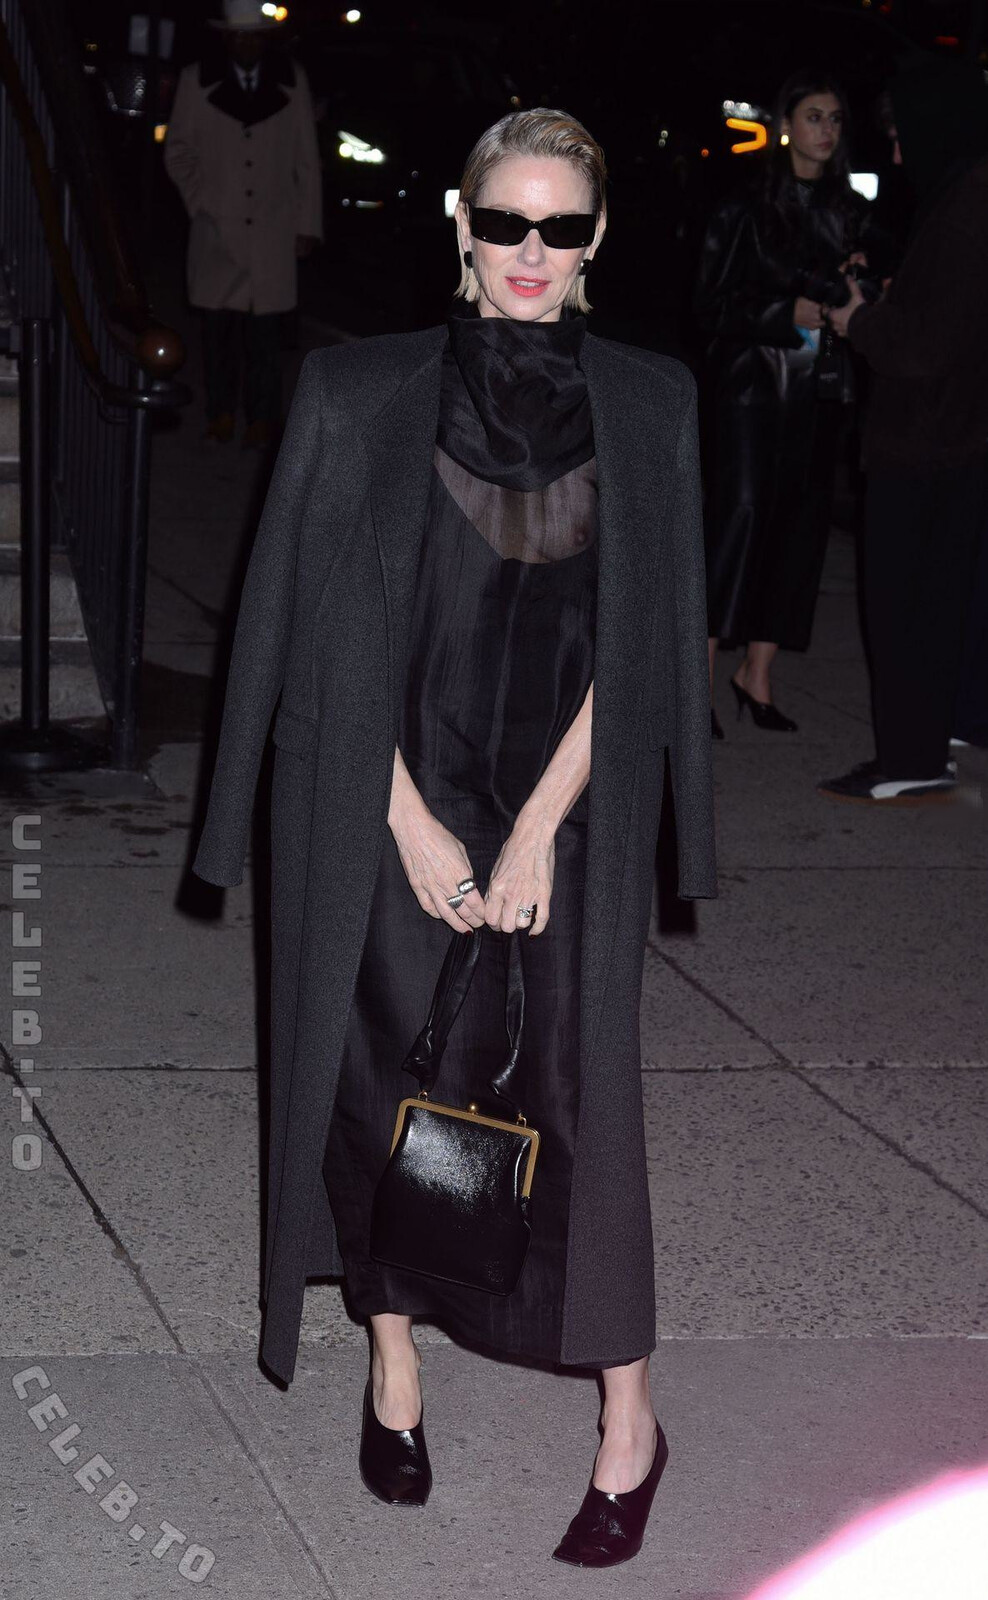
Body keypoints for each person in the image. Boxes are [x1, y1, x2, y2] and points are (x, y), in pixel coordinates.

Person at [191, 108, 716, 1567]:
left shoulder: (651, 404)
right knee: (382, 1081)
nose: (530, 252)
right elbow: (308, 637)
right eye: (504, 223)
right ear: (459, 225)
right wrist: (410, 823)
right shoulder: (358, 392)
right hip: (390, 803)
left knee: (579, 1099)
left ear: (597, 240)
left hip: (567, 808)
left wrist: (538, 829)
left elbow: (650, 654)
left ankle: (630, 1418)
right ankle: (394, 1366)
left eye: (561, 227)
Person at [820, 57, 988, 802]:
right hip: (957, 437)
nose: (895, 151)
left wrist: (859, 321)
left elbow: (922, 347)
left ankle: (911, 760)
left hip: (927, 441)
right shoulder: (966, 193)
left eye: (900, 134)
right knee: (940, 606)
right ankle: (935, 739)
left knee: (905, 610)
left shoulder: (969, 204)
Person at [695, 72, 880, 737]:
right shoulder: (744, 203)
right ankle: (697, 678)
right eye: (813, 117)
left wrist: (859, 288)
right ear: (786, 124)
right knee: (738, 520)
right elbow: (708, 305)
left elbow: (869, 294)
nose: (826, 130)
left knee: (798, 528)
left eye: (835, 118)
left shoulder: (851, 208)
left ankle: (758, 675)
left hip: (819, 386)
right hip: (750, 387)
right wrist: (783, 313)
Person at [163, 0, 321, 449]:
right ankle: (221, 413)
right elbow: (178, 151)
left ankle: (261, 419)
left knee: (266, 338)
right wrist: (202, 202)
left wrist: (307, 224)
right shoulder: (197, 80)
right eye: (238, 36)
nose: (246, 44)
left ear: (265, 40)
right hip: (217, 230)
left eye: (254, 36)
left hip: (273, 229)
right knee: (218, 334)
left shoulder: (291, 80)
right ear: (226, 38)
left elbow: (306, 159)